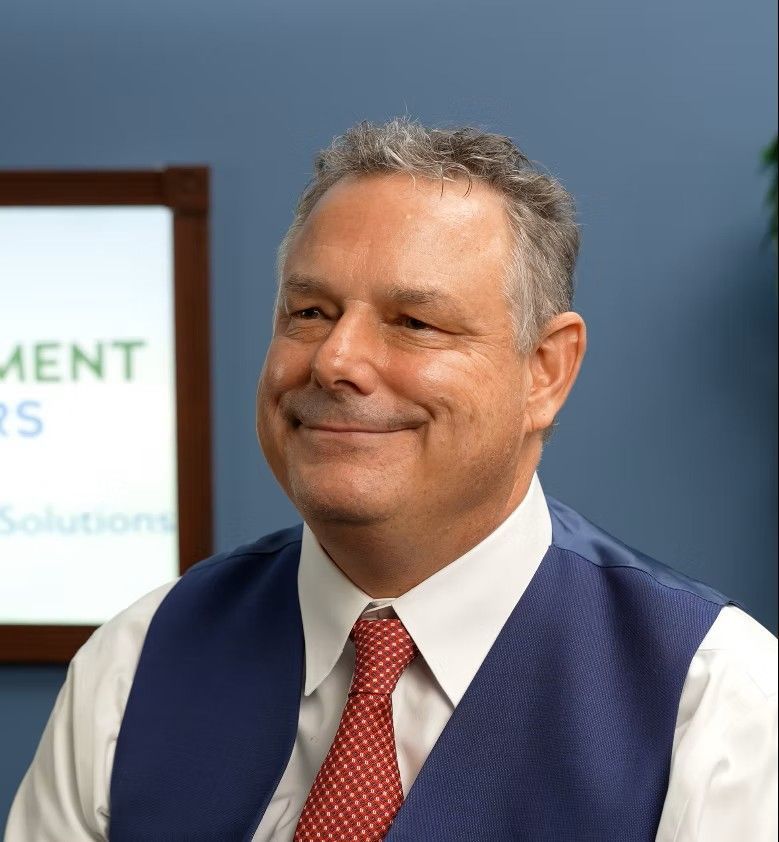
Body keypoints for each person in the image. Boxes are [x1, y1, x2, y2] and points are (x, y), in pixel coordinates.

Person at [5, 119, 777, 842]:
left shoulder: (712, 695)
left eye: (413, 322)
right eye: (308, 311)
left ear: (545, 371)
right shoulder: (136, 661)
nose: (335, 361)